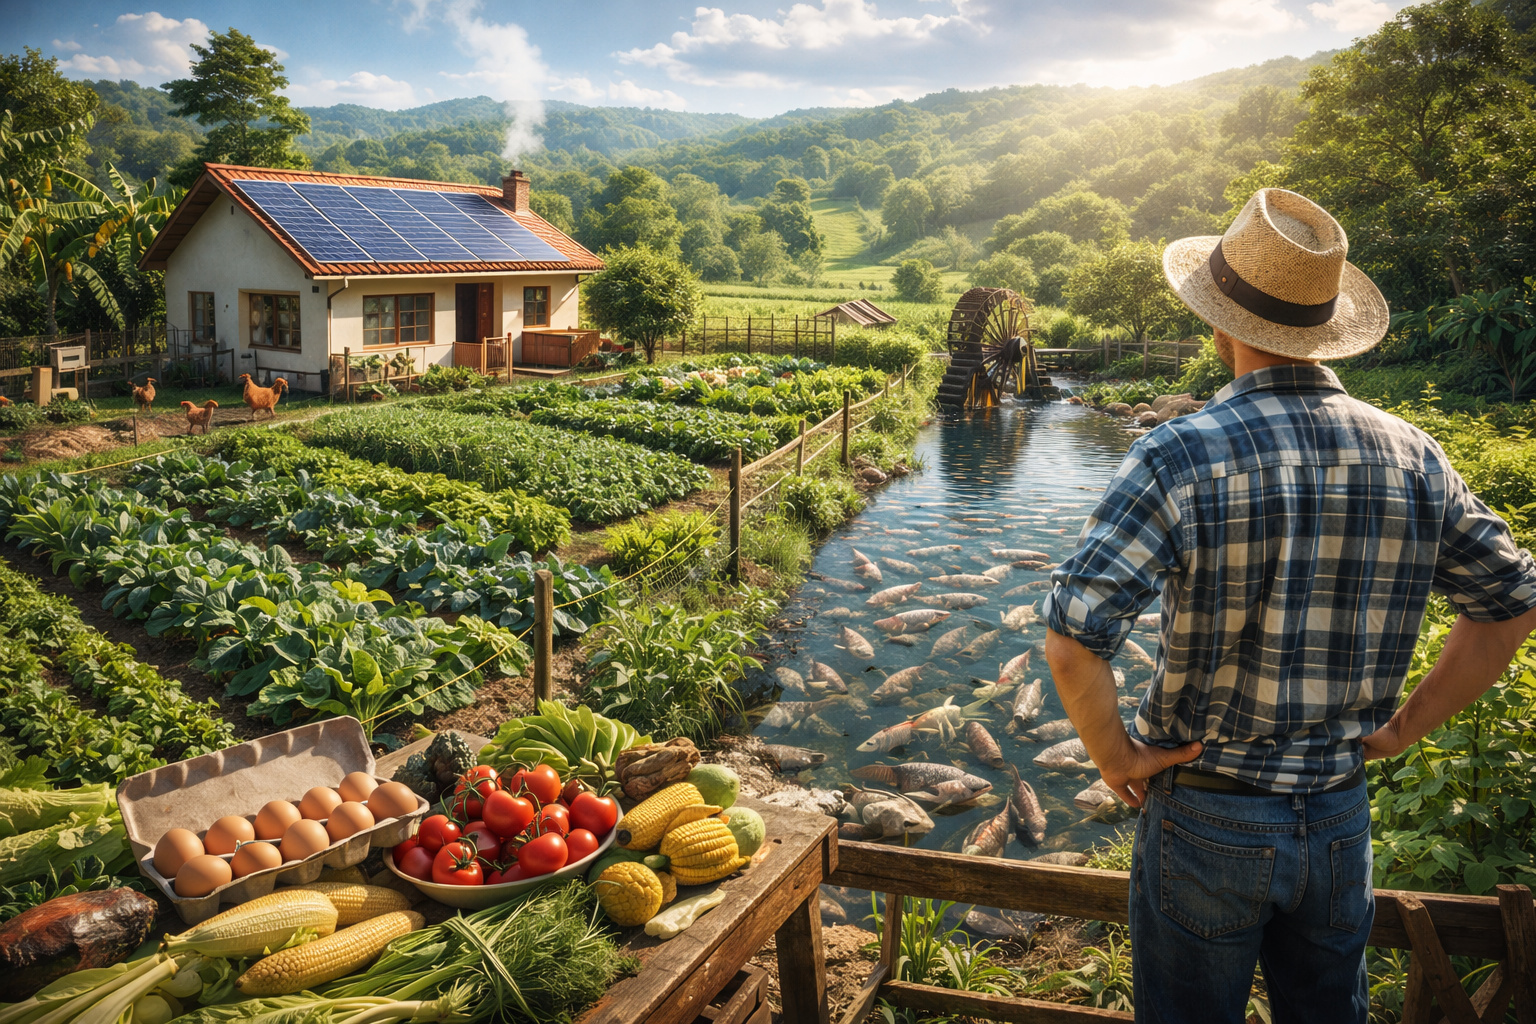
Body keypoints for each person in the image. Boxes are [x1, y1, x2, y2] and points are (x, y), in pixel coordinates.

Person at [1041, 188, 1536, 1024]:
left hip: (1207, 812)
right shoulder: (1412, 453)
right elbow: (1511, 604)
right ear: (1323, 328)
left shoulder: (1179, 453)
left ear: (1218, 323)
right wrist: (1402, 728)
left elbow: (1072, 638)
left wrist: (1117, 761)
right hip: (1339, 814)